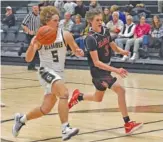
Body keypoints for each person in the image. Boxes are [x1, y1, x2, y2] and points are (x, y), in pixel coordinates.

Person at [12, 6, 84, 141]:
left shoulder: (65, 34)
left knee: (45, 108)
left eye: (58, 20)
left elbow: (76, 49)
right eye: (55, 20)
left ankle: (21, 119)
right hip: (45, 72)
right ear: (46, 21)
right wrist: (32, 46)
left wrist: (78, 52)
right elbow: (28, 59)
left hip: (59, 73)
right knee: (64, 94)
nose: (58, 23)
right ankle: (65, 129)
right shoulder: (40, 37)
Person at [68, 9, 143, 135]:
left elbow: (113, 46)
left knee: (98, 98)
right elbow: (96, 62)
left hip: (105, 70)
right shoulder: (90, 39)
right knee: (121, 90)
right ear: (90, 21)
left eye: (101, 19)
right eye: (97, 20)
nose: (100, 22)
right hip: (98, 71)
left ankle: (78, 96)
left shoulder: (105, 30)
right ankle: (127, 123)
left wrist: (122, 51)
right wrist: (117, 70)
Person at [20, 5, 40, 70]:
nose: (36, 10)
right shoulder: (29, 15)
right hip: (30, 36)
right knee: (32, 50)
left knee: (35, 51)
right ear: (32, 9)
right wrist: (28, 31)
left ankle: (31, 65)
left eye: (37, 9)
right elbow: (23, 24)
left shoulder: (39, 16)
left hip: (37, 36)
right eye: (35, 9)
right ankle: (31, 66)